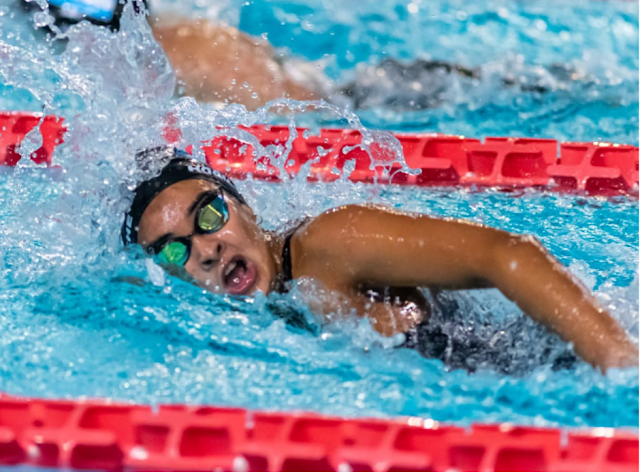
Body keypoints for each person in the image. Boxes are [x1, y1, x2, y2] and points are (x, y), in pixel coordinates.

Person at [121, 148, 639, 374]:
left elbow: (507, 255)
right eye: (174, 250)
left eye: (209, 216)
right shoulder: (265, 307)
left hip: (569, 359)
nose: (205, 249)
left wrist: (619, 362)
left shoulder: (327, 244)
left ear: (245, 207)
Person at [21, 0, 569, 112]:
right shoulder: (173, 29)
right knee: (516, 85)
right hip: (353, 88)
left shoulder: (165, 57)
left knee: (509, 90)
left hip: (347, 107)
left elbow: (288, 109)